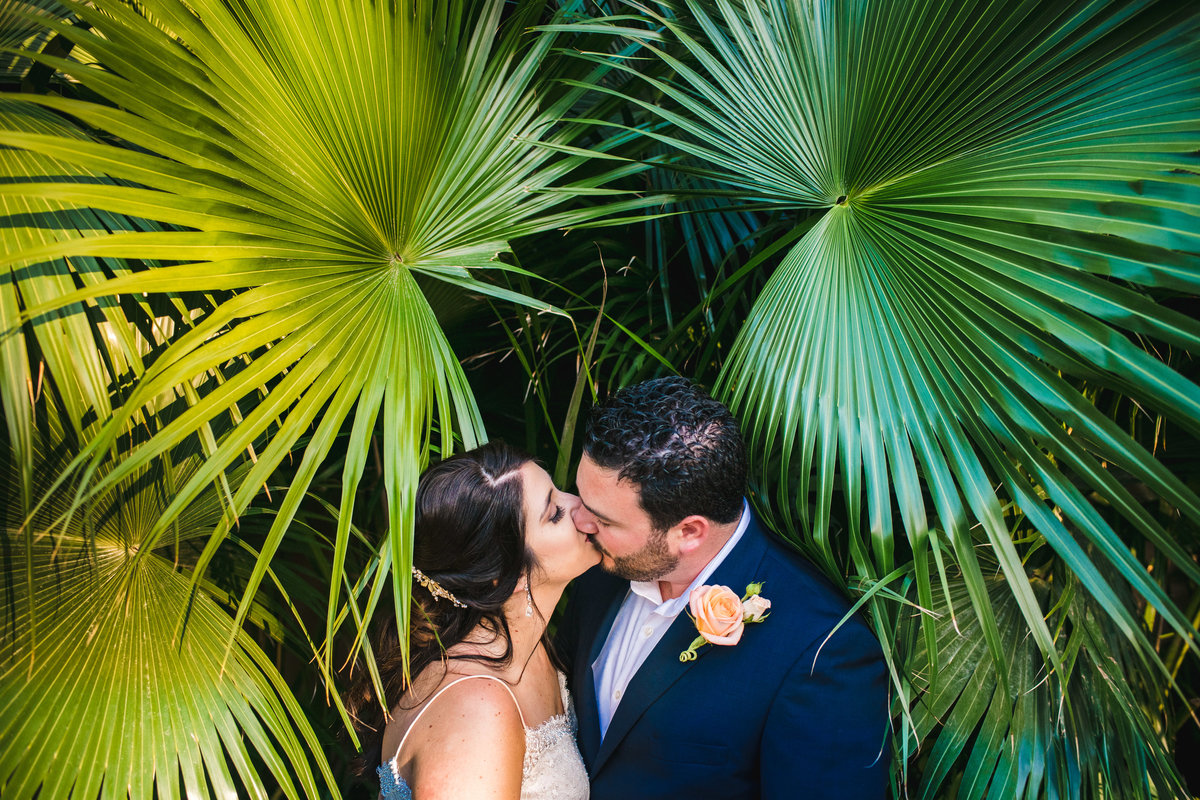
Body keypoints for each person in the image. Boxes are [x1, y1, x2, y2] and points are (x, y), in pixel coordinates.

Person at [558, 377, 890, 798]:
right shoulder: (598, 570)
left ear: (689, 532)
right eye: (582, 499)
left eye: (603, 519)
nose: (580, 523)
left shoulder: (821, 653)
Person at [347, 441, 601, 800]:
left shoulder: (525, 644)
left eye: (559, 491)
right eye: (555, 513)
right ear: (503, 576)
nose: (578, 505)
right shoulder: (476, 710)